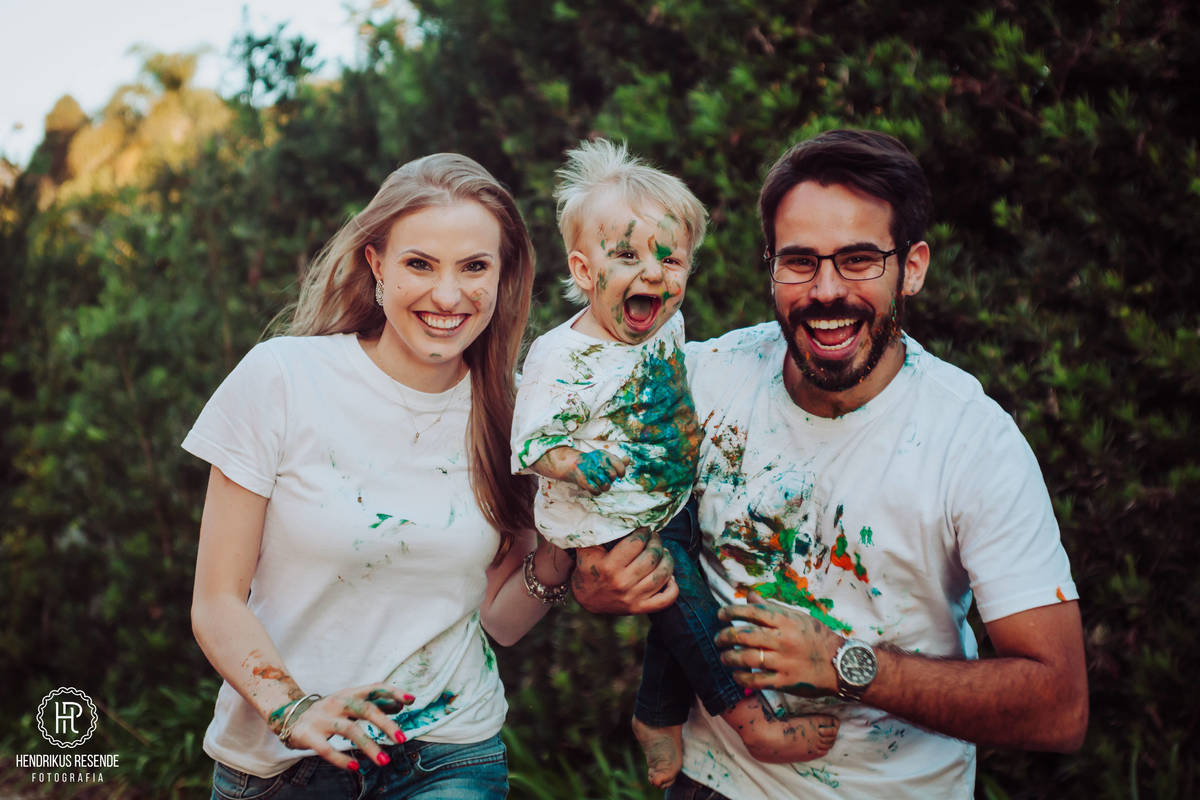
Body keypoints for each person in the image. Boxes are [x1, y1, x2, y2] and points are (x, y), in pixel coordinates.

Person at [574, 129, 1088, 798]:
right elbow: (588, 531)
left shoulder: (973, 442)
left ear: (913, 268)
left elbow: (1059, 707)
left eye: (858, 260)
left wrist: (848, 665)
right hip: (711, 784)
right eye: (799, 262)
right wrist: (593, 583)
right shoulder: (703, 379)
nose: (825, 290)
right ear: (770, 266)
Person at [185, 153, 579, 799]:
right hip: (283, 764)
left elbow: (501, 620)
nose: (447, 296)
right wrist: (291, 707)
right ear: (376, 264)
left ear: (503, 274)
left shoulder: (522, 414)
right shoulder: (282, 378)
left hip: (449, 753)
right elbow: (215, 601)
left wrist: (565, 549)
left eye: (474, 267)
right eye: (420, 264)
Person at [511, 139, 838, 790]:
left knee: (677, 618)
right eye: (627, 256)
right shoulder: (563, 359)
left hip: (667, 498)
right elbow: (528, 444)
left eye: (670, 258)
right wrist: (575, 463)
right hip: (609, 519)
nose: (653, 274)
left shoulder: (663, 321)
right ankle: (748, 718)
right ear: (583, 271)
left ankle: (656, 717)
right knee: (690, 611)